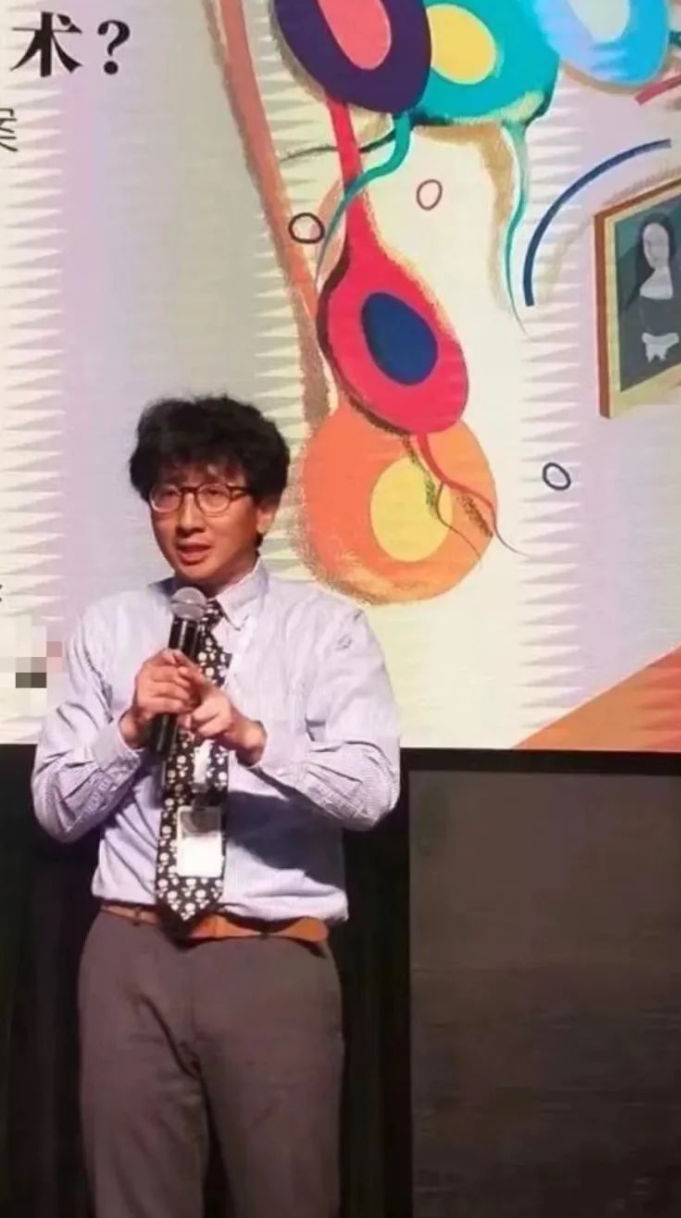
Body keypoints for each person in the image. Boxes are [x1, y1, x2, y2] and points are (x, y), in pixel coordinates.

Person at [32, 394, 400, 1218]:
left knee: (289, 1198)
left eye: (214, 492)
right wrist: (129, 730)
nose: (187, 518)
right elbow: (55, 809)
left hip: (269, 956)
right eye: (168, 493)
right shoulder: (109, 627)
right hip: (130, 952)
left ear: (263, 509)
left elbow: (373, 791)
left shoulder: (328, 631)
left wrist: (251, 736)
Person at [616, 212, 681, 392]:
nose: (651, 251)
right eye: (647, 244)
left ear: (670, 244)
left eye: (658, 243)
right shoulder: (634, 293)